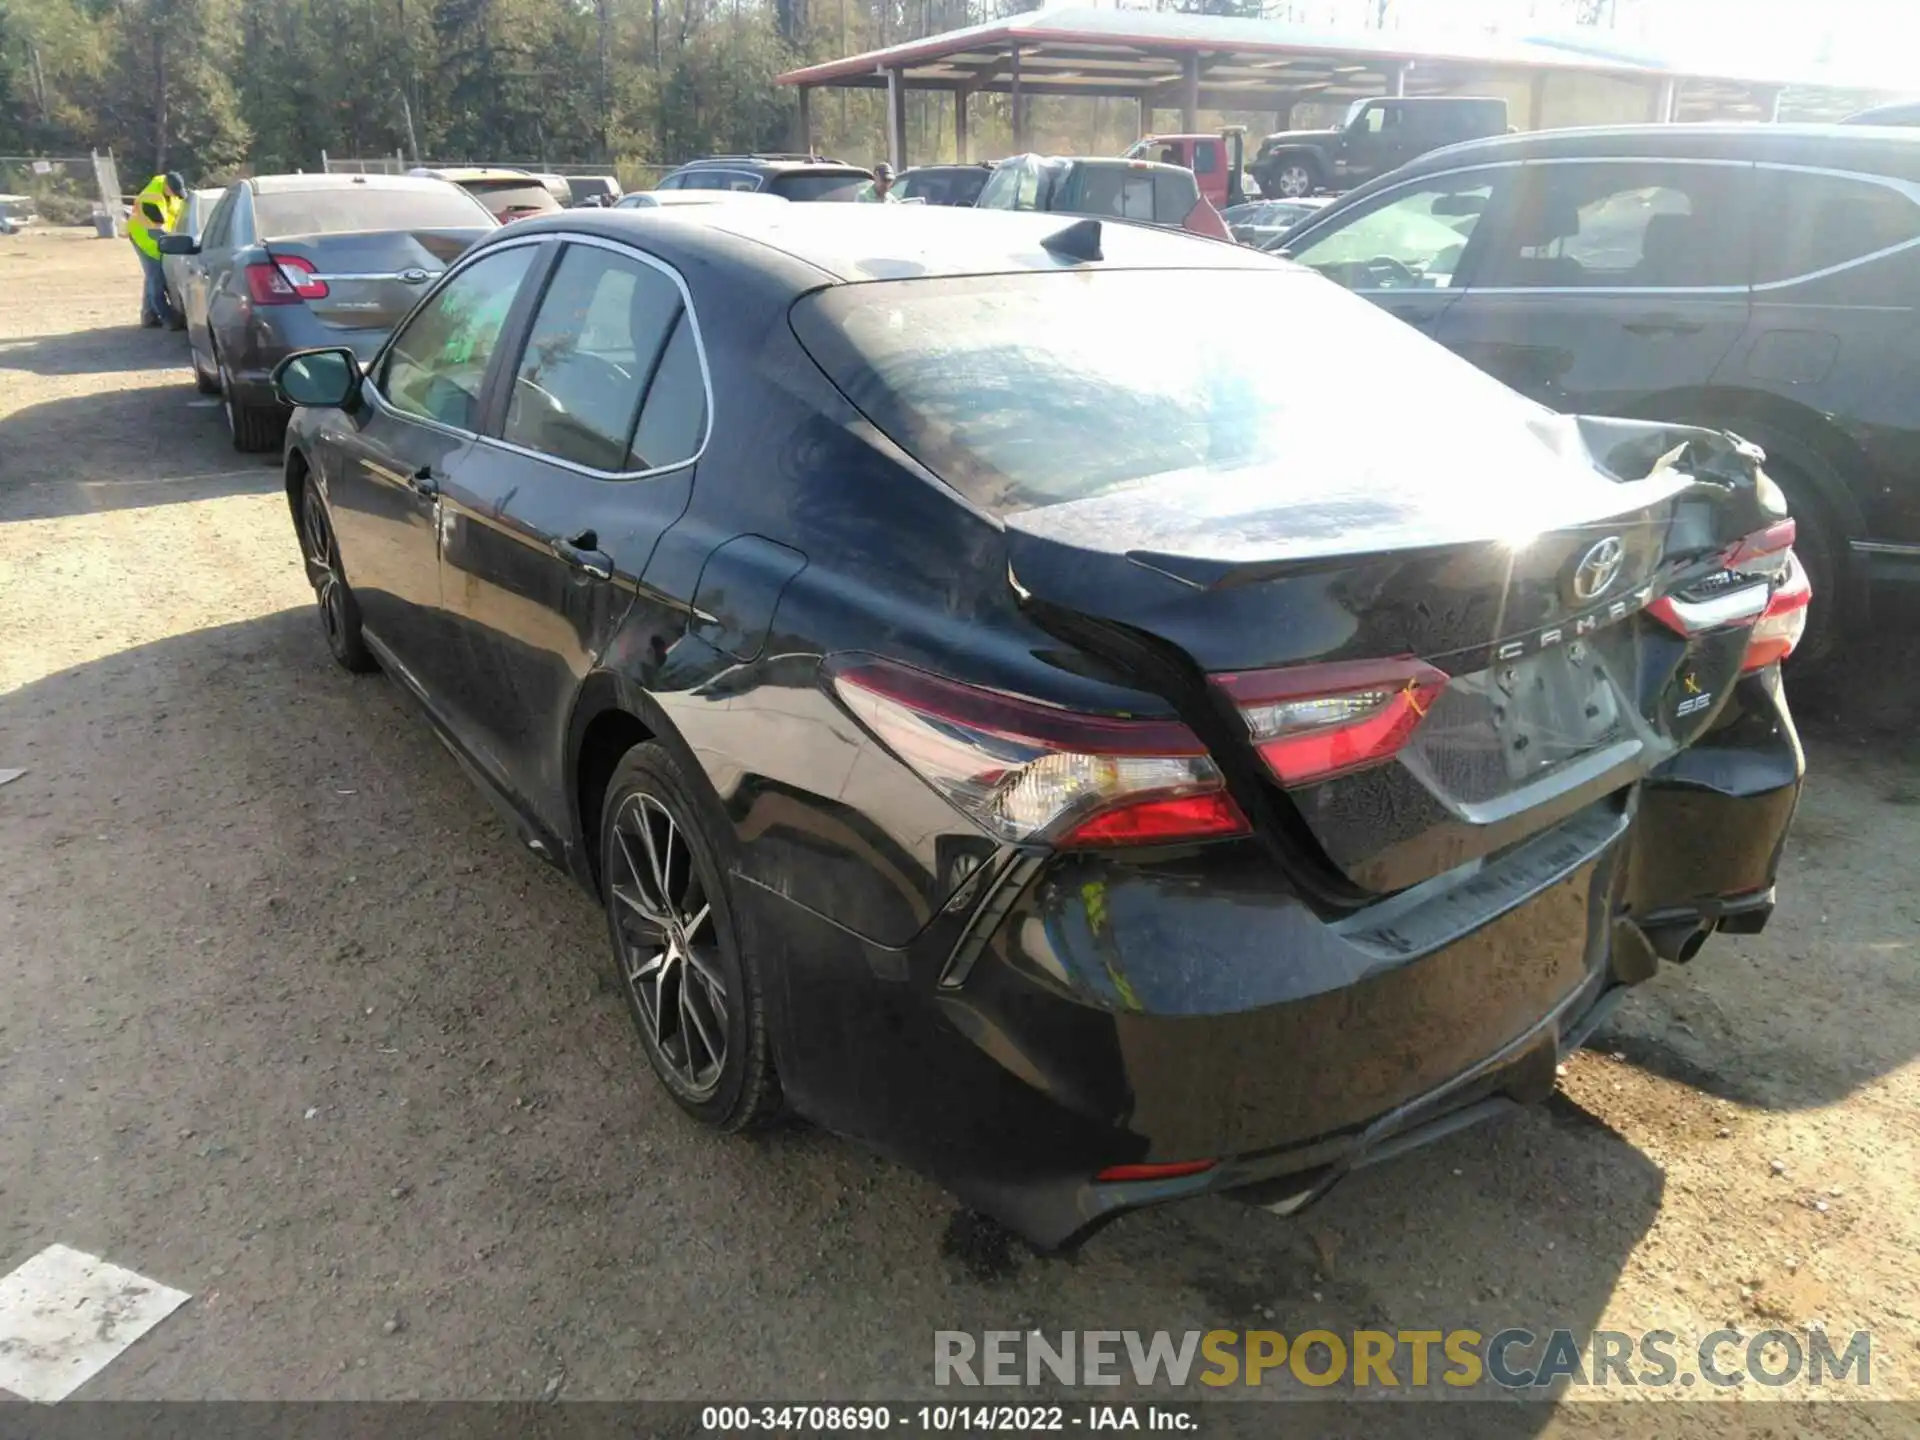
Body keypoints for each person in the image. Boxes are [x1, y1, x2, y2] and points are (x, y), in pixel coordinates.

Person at [127, 172, 186, 329]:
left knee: (152, 277)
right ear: (167, 187)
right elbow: (157, 230)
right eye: (174, 192)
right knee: (156, 277)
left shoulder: (168, 189)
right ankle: (167, 318)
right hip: (145, 238)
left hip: (157, 237)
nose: (176, 195)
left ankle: (148, 316)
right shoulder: (151, 200)